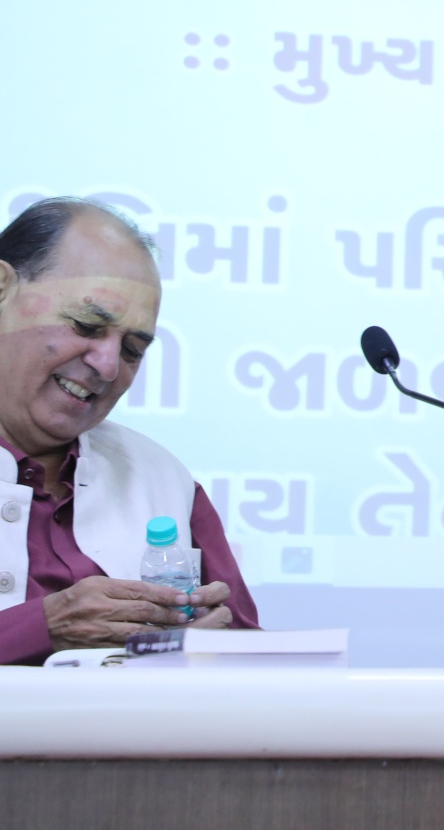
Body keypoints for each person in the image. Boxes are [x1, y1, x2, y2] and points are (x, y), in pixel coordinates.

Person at [0, 198, 258, 665]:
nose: (107, 365)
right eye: (87, 325)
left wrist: (205, 651)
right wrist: (39, 629)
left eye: (133, 349)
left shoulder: (160, 479)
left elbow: (256, 670)